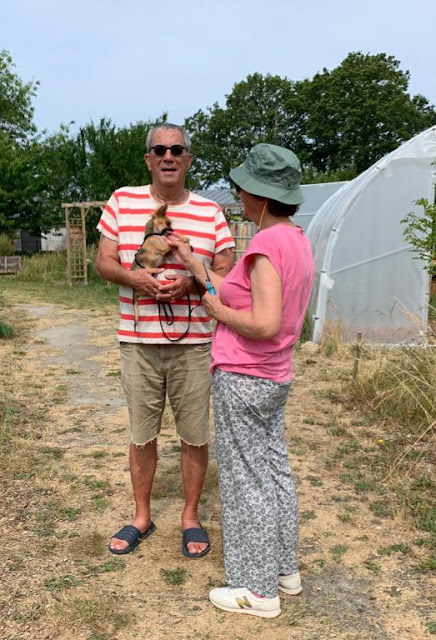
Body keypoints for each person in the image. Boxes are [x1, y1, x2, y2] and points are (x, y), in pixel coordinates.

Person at [167, 143, 314, 618]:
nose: (239, 194)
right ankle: (284, 571)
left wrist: (218, 312)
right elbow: (240, 293)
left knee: (245, 482)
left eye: (244, 188)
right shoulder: (296, 239)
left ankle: (256, 589)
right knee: (273, 471)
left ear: (262, 197)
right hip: (273, 377)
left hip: (244, 376)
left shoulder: (266, 245)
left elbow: (264, 322)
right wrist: (193, 261)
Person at [95, 123, 235, 557]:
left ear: (188, 159)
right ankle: (142, 516)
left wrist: (191, 285)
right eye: (160, 150)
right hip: (138, 341)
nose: (168, 156)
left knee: (194, 433)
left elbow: (227, 271)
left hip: (194, 343)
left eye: (177, 150)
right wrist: (134, 277)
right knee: (142, 433)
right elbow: (103, 261)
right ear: (148, 159)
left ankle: (190, 517)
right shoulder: (122, 200)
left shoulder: (211, 211)